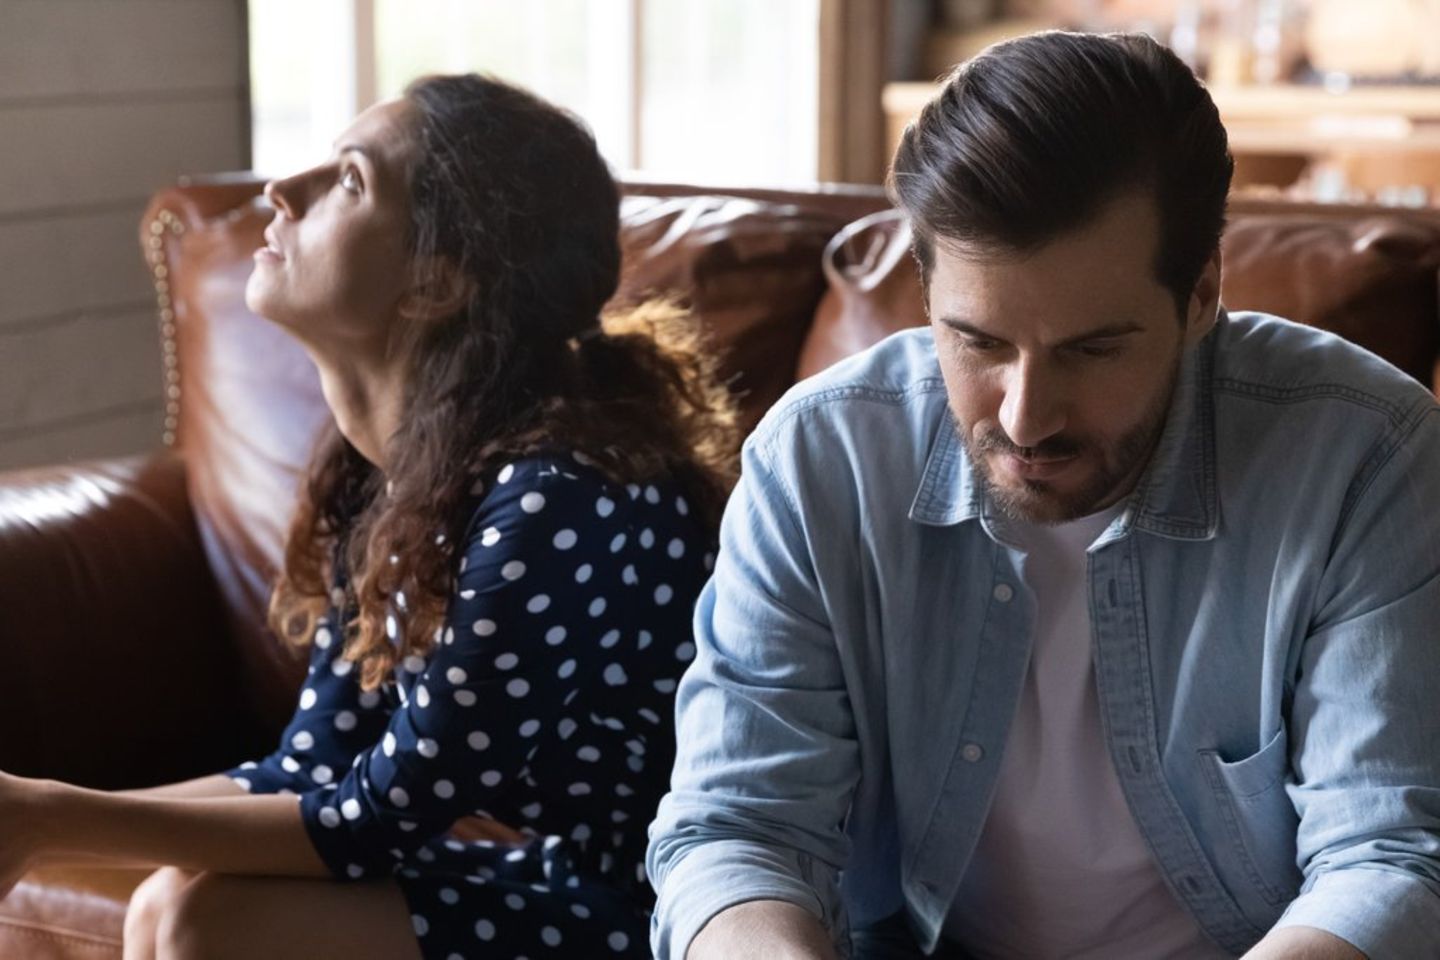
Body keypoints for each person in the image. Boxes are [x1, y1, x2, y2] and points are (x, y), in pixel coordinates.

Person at [647, 31, 1440, 960]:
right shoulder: (817, 460)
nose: (1025, 420)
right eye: (978, 342)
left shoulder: (1362, 453)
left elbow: (1388, 856)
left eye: (1092, 349)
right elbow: (740, 832)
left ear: (1201, 296)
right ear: (926, 287)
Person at [0, 73, 740, 960]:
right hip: (566, 877)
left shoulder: (559, 499)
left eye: (349, 180)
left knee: (209, 921)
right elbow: (309, 771)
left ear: (435, 282)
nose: (281, 191)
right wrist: (30, 816)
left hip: (680, 913)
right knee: (172, 901)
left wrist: (45, 816)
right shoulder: (396, 477)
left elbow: (374, 823)